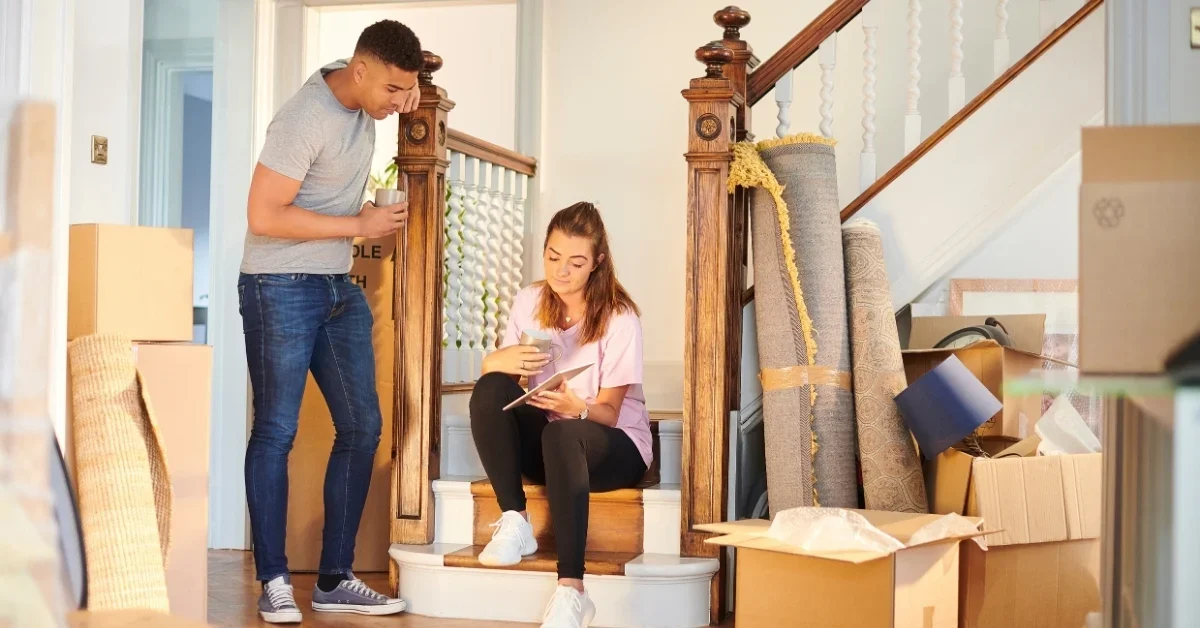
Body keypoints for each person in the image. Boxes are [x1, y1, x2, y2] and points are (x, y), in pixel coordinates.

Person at [238, 19, 423, 623]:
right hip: (278, 286)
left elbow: (391, 95)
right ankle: (273, 581)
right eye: (394, 90)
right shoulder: (303, 119)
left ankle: (335, 578)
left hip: (335, 288)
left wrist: (410, 93)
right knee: (276, 432)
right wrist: (360, 226)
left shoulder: (367, 104)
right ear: (360, 70)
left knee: (363, 427)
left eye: (409, 92)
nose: (401, 104)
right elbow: (264, 214)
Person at [470, 202, 652, 628]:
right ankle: (515, 518)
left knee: (564, 434)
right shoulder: (530, 300)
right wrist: (499, 360)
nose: (561, 271)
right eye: (553, 257)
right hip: (554, 443)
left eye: (576, 262)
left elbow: (608, 411)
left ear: (597, 263)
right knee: (490, 386)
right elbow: (504, 388)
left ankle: (572, 589)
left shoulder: (620, 318)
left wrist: (579, 408)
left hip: (613, 445)